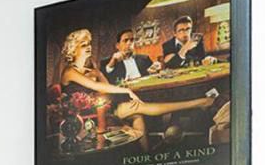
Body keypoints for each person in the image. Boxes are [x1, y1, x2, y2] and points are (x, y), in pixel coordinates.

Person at [56, 28, 215, 150]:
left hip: (104, 111)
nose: (89, 47)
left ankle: (146, 155)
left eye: (89, 44)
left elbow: (106, 89)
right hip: (83, 119)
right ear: (73, 50)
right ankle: (198, 102)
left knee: (137, 115)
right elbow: (97, 86)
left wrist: (97, 73)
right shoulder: (69, 71)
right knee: (139, 107)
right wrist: (127, 91)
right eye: (83, 45)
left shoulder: (92, 69)